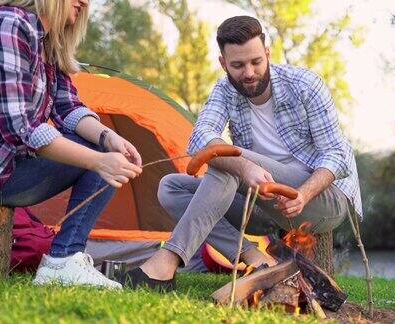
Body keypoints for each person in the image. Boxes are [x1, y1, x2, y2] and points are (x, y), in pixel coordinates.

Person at [121, 15, 362, 292]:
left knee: (226, 157)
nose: (248, 72)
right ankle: (254, 257)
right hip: (261, 201)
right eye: (237, 65)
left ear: (267, 54)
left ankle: (166, 262)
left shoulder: (305, 85)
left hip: (321, 199)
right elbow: (199, 138)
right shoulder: (224, 91)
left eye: (256, 62)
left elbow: (336, 155)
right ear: (223, 63)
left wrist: (304, 194)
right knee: (171, 187)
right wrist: (245, 169)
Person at [0, 0, 143, 288]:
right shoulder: (8, 23)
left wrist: (111, 139)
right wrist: (98, 161)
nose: (83, 2)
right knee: (101, 156)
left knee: (106, 149)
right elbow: (21, 129)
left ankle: (64, 260)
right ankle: (63, 259)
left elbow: (68, 108)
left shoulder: (49, 41)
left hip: (9, 170)